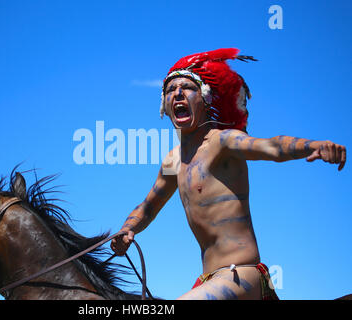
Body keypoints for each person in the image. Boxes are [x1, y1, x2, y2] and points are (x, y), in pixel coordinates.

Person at [110, 48, 346, 300]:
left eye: (187, 87)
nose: (178, 93)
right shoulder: (173, 161)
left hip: (241, 275)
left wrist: (314, 146)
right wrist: (126, 230)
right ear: (165, 106)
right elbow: (148, 207)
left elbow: (271, 146)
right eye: (170, 90)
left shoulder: (222, 142)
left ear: (206, 98)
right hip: (208, 280)